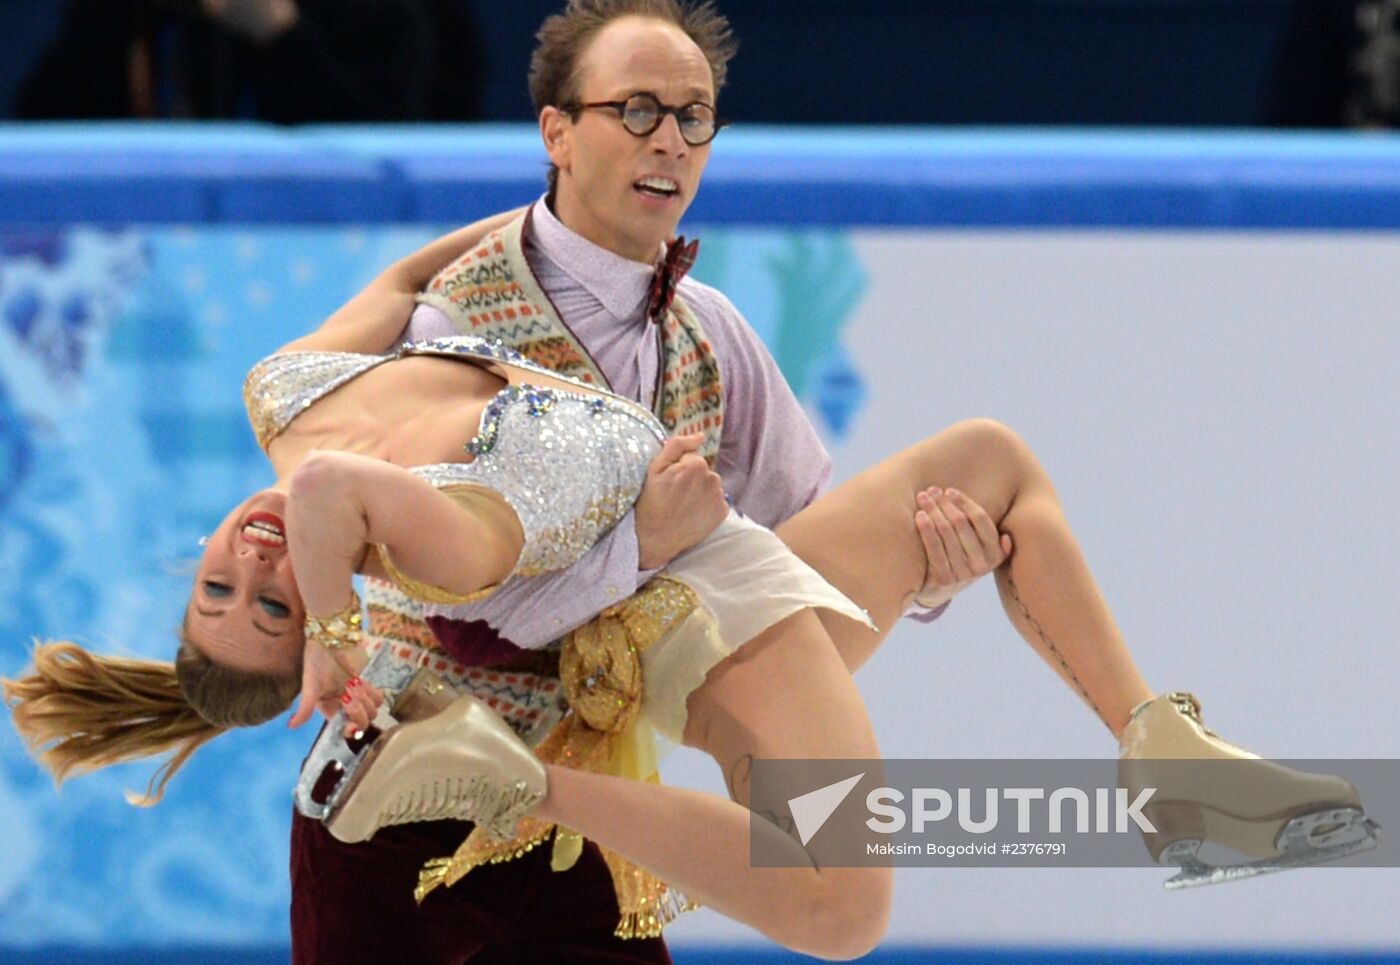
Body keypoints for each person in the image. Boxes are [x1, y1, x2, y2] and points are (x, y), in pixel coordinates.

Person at [4, 0, 1379, 960]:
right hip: (547, 677)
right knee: (842, 902)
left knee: (987, 468)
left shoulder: (707, 332)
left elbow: (774, 553)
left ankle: (1162, 761)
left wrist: (944, 569)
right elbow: (460, 560)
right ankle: (525, 785)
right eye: (638, 112)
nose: (670, 142)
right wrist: (618, 552)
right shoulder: (461, 341)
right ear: (557, 126)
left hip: (684, 632)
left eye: (696, 118)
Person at [13, 0, 461, 123]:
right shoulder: (123, 14)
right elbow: (46, 130)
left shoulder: (383, 15)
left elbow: (385, 166)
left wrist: (281, 38)